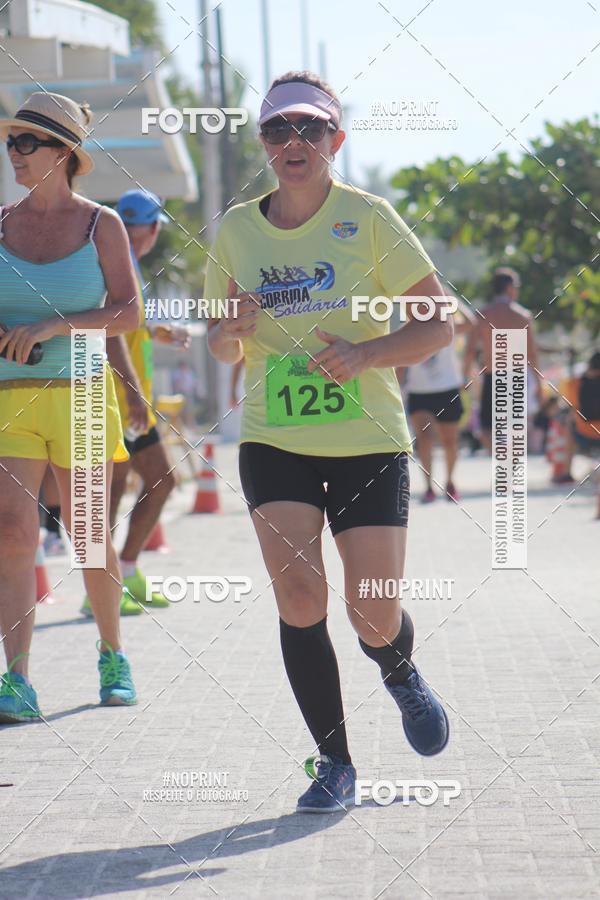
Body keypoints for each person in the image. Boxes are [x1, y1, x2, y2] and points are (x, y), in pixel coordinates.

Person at [205, 72, 453, 813]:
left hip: (367, 437)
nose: (293, 141)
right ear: (264, 145)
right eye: (278, 130)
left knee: (371, 608)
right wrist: (231, 333)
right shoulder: (236, 229)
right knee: (300, 593)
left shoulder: (370, 217)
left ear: (335, 139)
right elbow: (218, 345)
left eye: (310, 128)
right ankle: (334, 763)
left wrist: (367, 354)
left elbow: (439, 322)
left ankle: (400, 671)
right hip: (274, 437)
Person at [0, 92, 139, 721]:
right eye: (10, 142)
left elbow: (128, 312)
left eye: (28, 143)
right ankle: (18, 679)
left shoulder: (100, 224)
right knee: (11, 533)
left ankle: (112, 654)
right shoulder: (0, 223)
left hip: (83, 397)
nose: (14, 153)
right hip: (9, 397)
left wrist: (57, 328)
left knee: (87, 536)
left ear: (65, 154)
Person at [84, 189, 190, 616]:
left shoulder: (123, 264)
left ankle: (125, 570)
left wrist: (157, 330)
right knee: (108, 495)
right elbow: (108, 335)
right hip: (112, 399)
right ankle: (101, 592)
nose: (140, 234)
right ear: (153, 228)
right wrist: (131, 396)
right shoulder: (112, 261)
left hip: (128, 400)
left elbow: (127, 326)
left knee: (161, 481)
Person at [399, 298, 476, 502]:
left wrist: (453, 300)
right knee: (425, 438)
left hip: (447, 389)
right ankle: (428, 486)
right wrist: (397, 388)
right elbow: (399, 362)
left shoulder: (446, 326)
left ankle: (450, 481)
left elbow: (470, 322)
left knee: (450, 441)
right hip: (419, 392)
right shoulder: (409, 328)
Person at [463, 268, 542, 453]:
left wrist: (464, 377)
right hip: (516, 377)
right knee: (515, 427)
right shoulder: (522, 316)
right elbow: (532, 354)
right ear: (509, 287)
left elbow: (470, 350)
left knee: (486, 428)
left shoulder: (482, 315)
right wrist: (539, 383)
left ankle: (499, 462)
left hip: (493, 376)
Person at [563, 351, 600, 516]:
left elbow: (572, 409)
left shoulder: (574, 383)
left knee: (568, 423)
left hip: (584, 435)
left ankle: (566, 469)